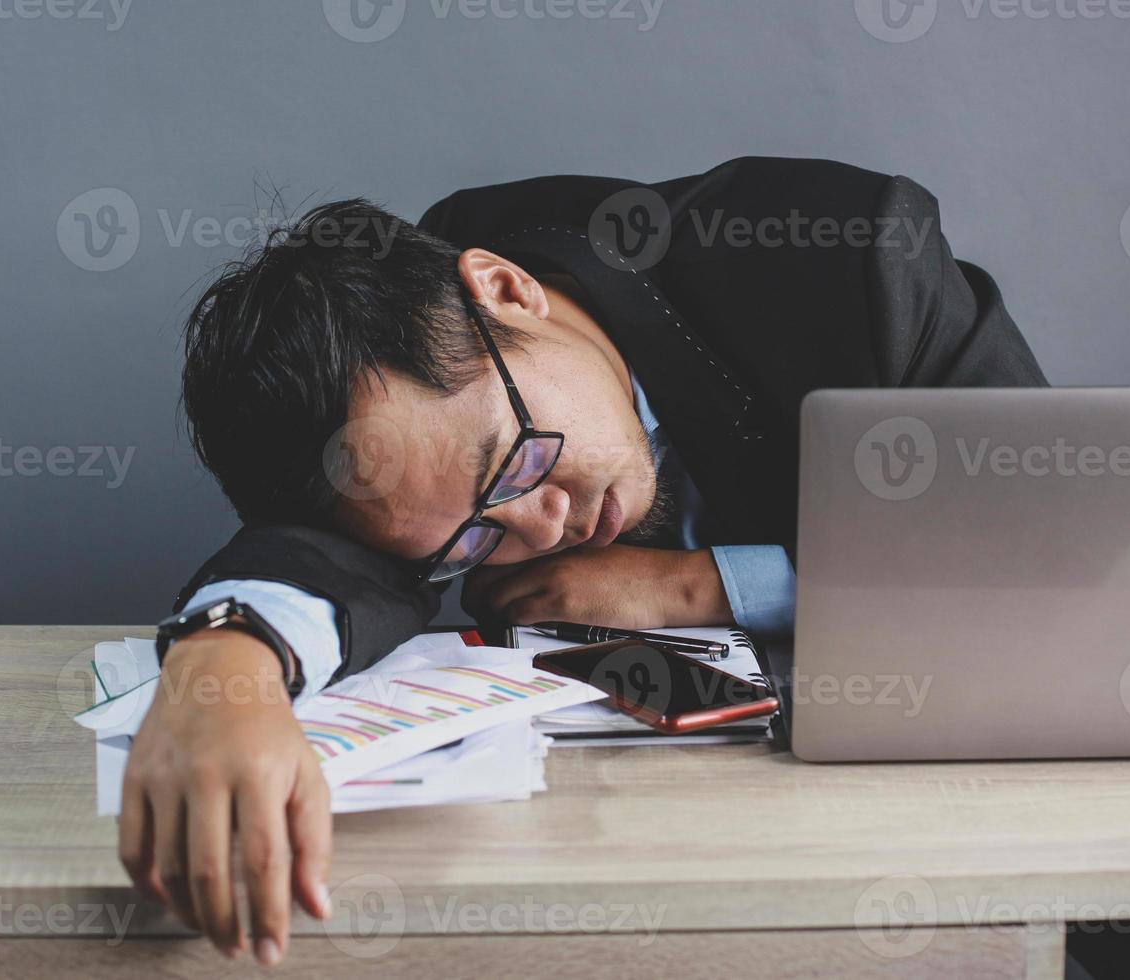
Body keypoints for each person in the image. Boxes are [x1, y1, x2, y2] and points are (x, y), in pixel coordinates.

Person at [119, 157, 1047, 964]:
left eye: (516, 460)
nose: (544, 524)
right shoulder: (411, 396)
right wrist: (221, 662)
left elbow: (1044, 540)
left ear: (509, 290)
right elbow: (329, 557)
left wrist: (699, 585)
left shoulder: (850, 259)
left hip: (962, 820)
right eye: (480, 536)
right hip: (612, 865)